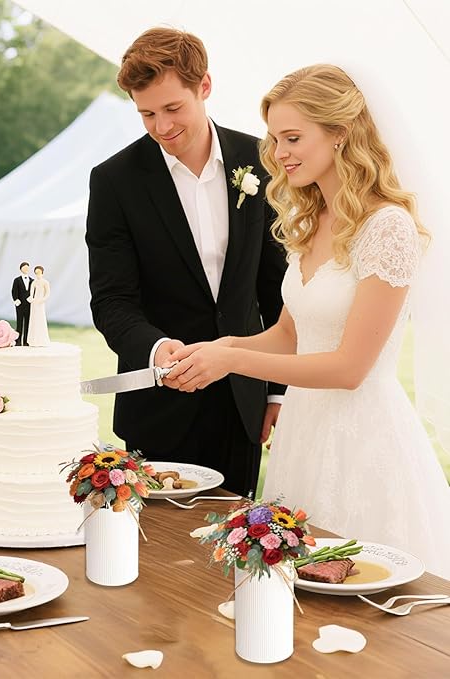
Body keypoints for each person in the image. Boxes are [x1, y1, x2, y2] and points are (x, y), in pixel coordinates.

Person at [168, 64, 450, 578]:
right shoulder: (311, 220)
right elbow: (289, 335)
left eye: (293, 138)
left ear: (340, 133)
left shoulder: (387, 227)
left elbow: (350, 368)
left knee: (363, 586)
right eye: (275, 139)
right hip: (304, 431)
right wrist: (220, 346)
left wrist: (231, 362)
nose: (279, 153)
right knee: (294, 584)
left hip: (362, 439)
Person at [85, 28, 287, 498]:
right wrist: (157, 350)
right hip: (160, 405)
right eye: (147, 114)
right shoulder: (114, 181)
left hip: (243, 400)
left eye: (173, 108)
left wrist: (277, 389)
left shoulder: (262, 160)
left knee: (237, 531)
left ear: (205, 86)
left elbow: (278, 289)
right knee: (157, 543)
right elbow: (112, 300)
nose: (161, 126)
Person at [27, 265, 51, 347]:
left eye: (39, 272)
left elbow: (47, 293)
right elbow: (31, 292)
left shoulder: (45, 282)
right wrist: (31, 298)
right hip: (34, 303)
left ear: (42, 273)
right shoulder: (34, 282)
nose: (38, 274)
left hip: (40, 303)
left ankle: (41, 340)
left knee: (41, 318)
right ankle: (33, 340)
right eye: (36, 273)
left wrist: (43, 299)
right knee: (34, 319)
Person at [11, 261, 32, 346]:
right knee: (19, 323)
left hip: (29, 305)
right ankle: (18, 341)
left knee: (27, 323)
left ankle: (26, 341)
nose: (26, 269)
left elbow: (33, 291)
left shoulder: (32, 280)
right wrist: (16, 300)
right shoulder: (17, 280)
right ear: (21, 269)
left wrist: (32, 298)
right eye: (24, 267)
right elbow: (14, 291)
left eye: (27, 268)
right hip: (20, 305)